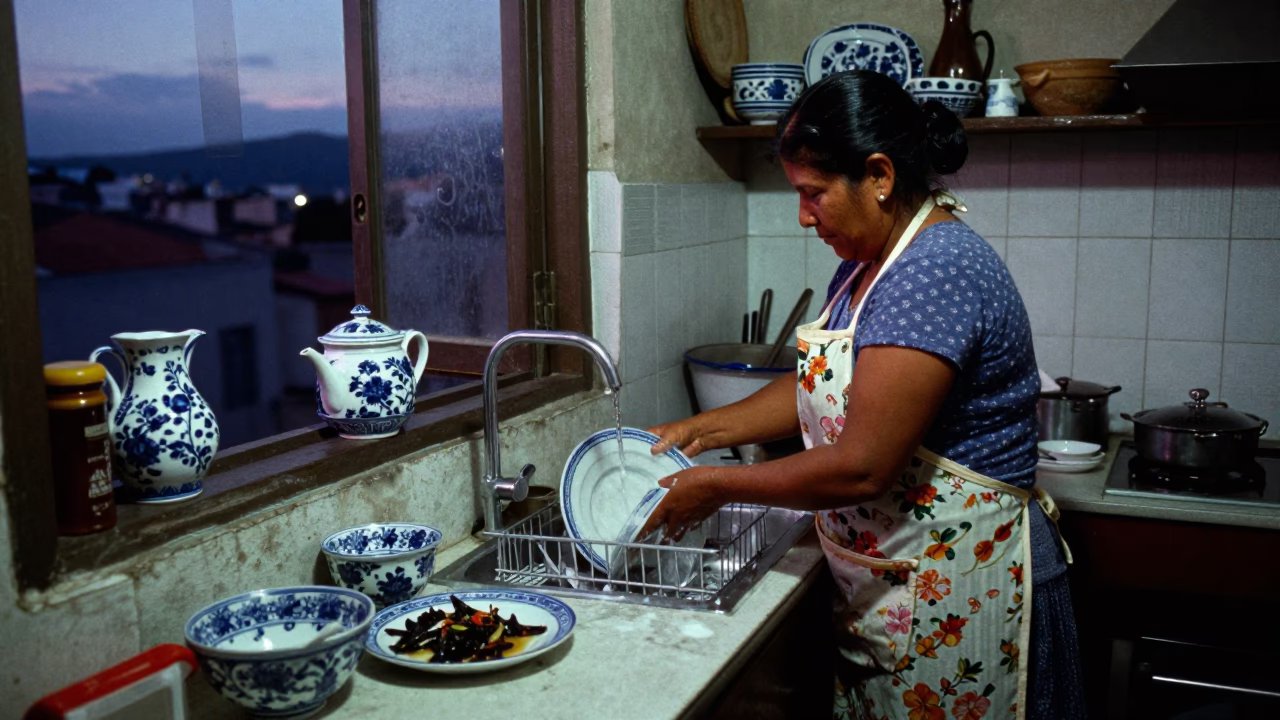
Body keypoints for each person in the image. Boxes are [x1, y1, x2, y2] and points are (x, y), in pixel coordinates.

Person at [641, 70, 1085, 720]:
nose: (802, 216)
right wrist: (698, 432)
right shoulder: (865, 263)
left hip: (968, 589)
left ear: (879, 175)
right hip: (901, 589)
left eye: (813, 193)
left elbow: (864, 464)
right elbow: (823, 386)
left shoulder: (933, 271)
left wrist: (714, 484)